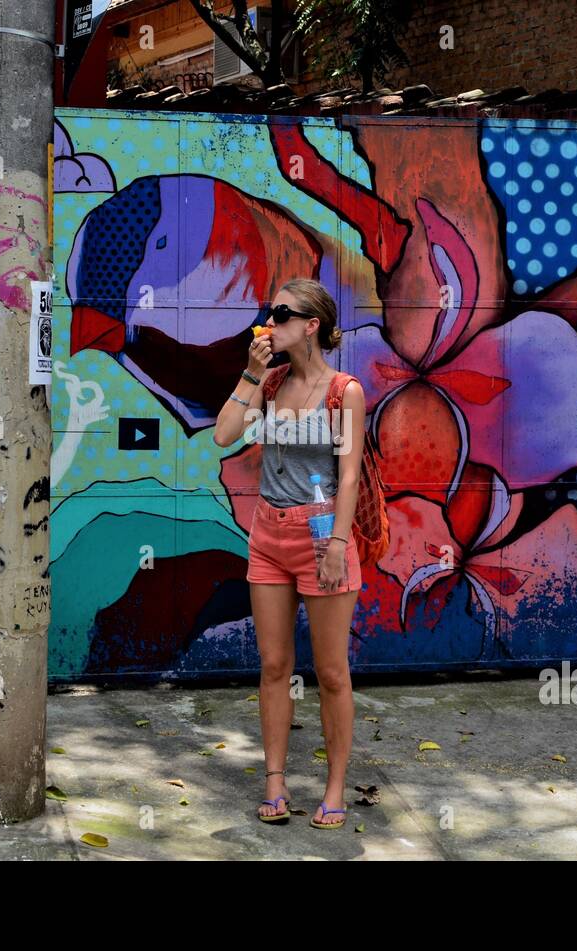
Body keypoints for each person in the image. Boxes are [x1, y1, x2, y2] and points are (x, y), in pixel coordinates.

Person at [212, 278, 366, 829]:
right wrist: (251, 373)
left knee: (330, 672)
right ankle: (275, 781)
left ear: (311, 326)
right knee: (275, 665)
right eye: (268, 311)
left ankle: (334, 787)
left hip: (323, 537)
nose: (268, 321)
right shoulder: (271, 383)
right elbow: (224, 435)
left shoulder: (344, 391)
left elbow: (348, 478)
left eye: (281, 313)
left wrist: (339, 547)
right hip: (268, 536)